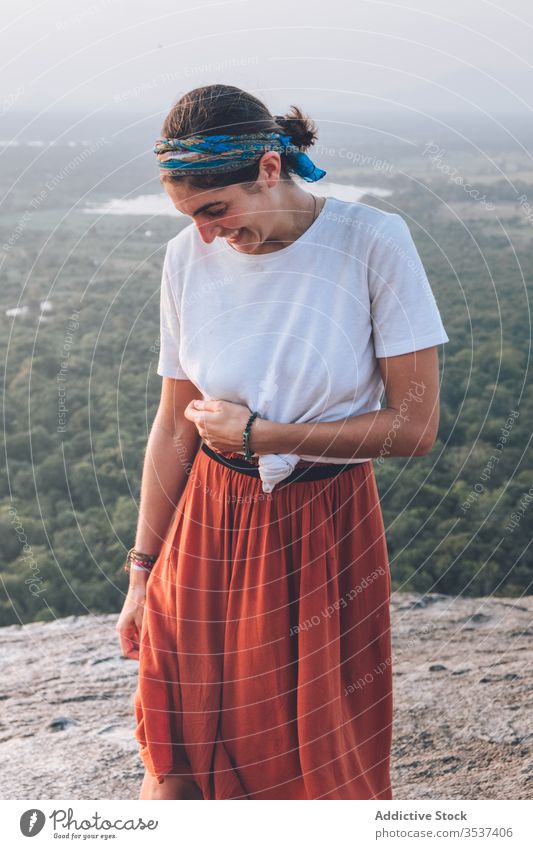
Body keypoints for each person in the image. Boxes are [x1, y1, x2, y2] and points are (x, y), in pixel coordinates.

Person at [115, 84, 449, 800]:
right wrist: (143, 570)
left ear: (270, 167)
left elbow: (414, 426)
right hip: (204, 521)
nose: (206, 233)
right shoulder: (186, 254)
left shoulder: (371, 240)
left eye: (215, 210)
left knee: (315, 772)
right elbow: (175, 420)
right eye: (190, 217)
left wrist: (263, 434)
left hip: (322, 528)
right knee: (176, 755)